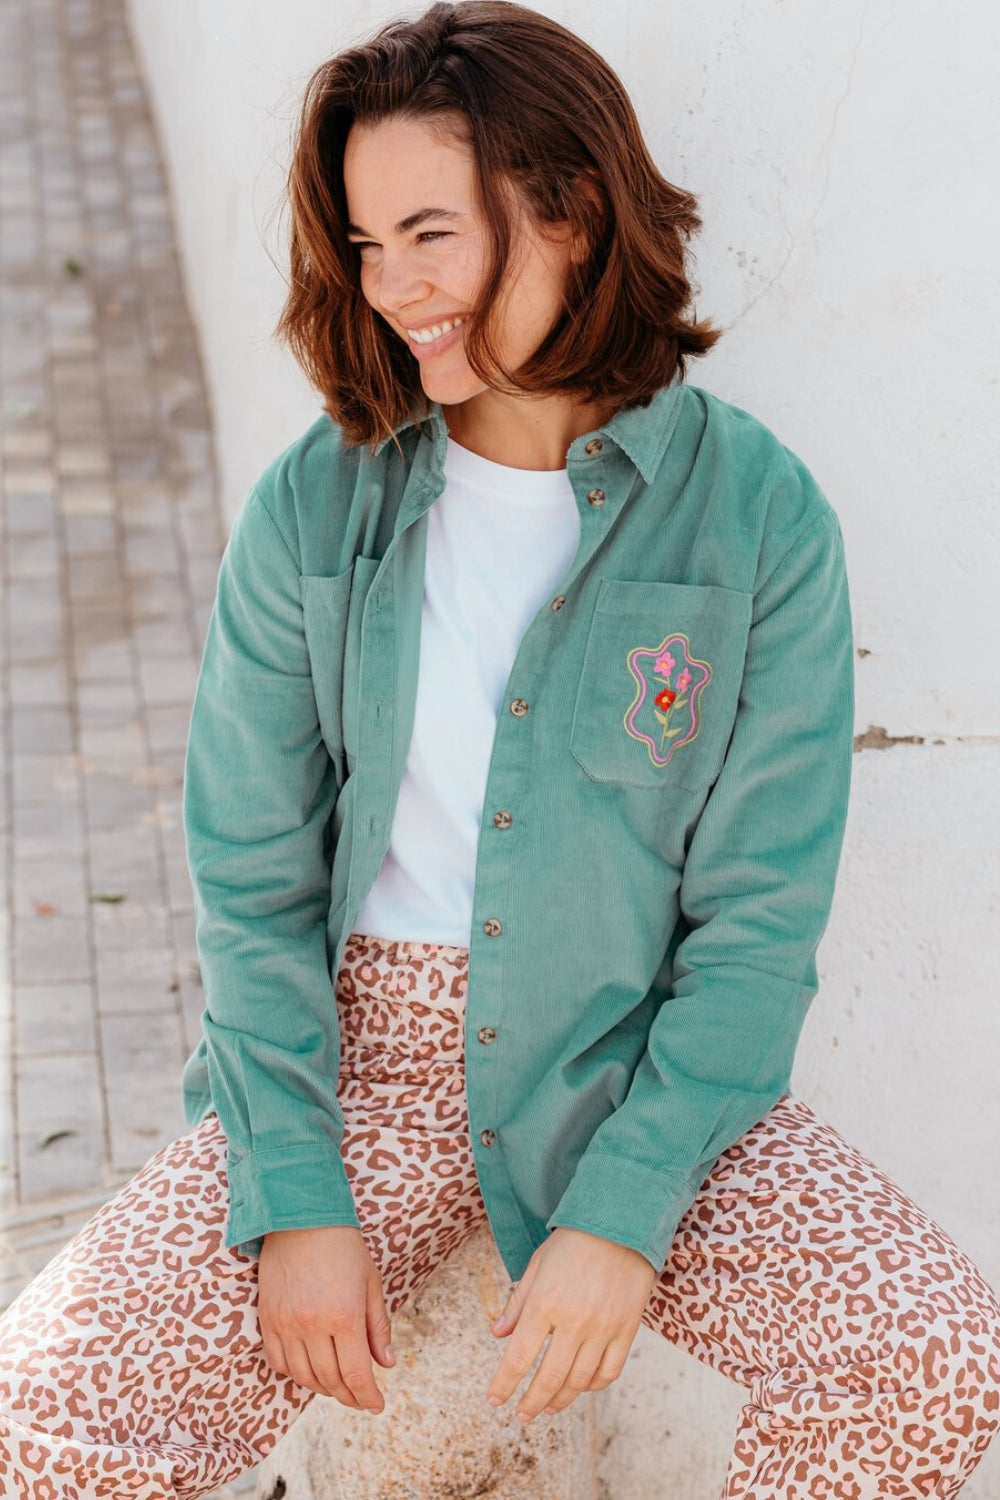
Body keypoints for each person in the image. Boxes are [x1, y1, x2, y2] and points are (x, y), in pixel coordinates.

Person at [2, 2, 999, 1496]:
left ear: (573, 209)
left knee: (931, 1355)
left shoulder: (756, 515)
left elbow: (759, 918)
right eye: (365, 243)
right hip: (358, 1068)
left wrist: (628, 1207)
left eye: (431, 234)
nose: (395, 288)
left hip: (635, 1066)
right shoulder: (316, 507)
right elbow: (253, 877)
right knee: (48, 1412)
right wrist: (295, 1193)